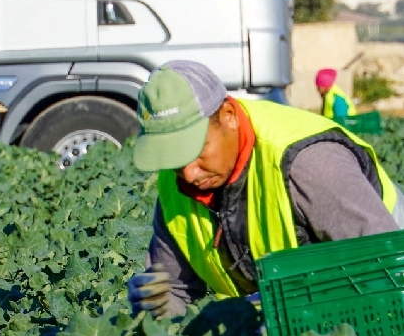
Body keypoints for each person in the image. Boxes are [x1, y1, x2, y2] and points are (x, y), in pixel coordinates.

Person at [127, 60, 404, 318]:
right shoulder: (175, 184)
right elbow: (174, 289)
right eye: (173, 156)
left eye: (195, 149)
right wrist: (155, 303)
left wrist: (284, 307)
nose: (188, 172)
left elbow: (385, 269)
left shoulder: (308, 163)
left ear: (228, 116)